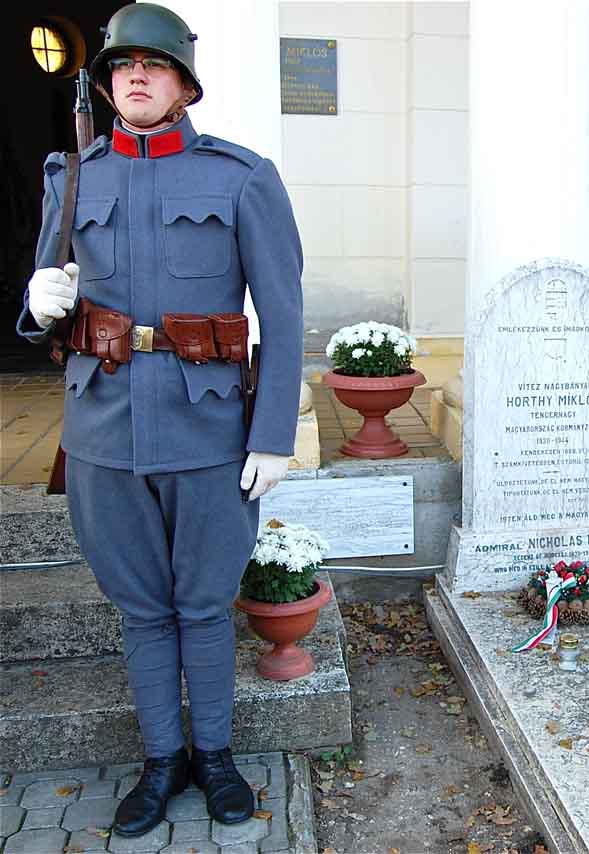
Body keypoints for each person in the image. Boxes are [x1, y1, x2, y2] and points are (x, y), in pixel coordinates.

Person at [17, 3, 303, 838]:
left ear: (183, 83)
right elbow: (48, 295)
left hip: (206, 428)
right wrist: (37, 306)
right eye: (121, 66)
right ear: (105, 85)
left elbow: (282, 316)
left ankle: (214, 757)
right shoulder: (73, 179)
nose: (135, 76)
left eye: (154, 64)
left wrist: (273, 433)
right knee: (141, 608)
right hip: (103, 430)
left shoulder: (241, 177)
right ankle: (161, 759)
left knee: (205, 604)